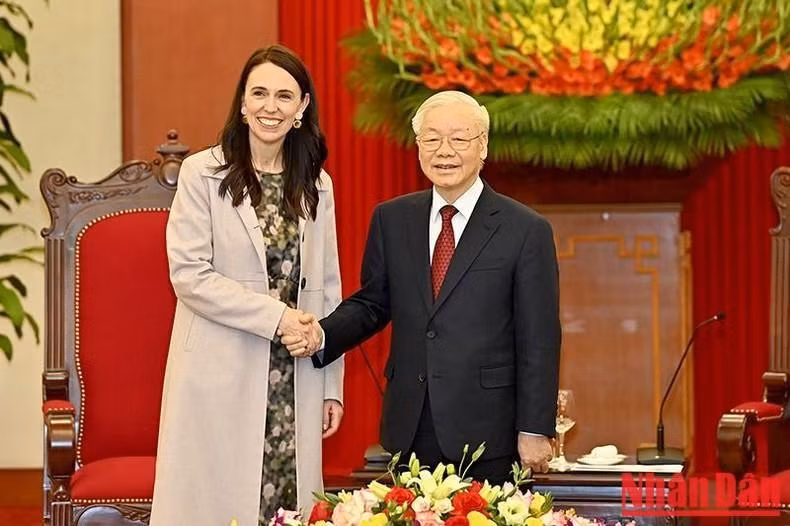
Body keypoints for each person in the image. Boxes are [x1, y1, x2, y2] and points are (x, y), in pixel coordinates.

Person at [284, 91, 561, 485]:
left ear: (482, 146)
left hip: (490, 431)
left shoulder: (525, 229)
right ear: (418, 148)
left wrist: (534, 427)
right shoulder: (393, 219)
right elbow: (372, 304)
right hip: (411, 425)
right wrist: (321, 333)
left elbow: (540, 338)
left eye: (459, 139)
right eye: (431, 139)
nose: (444, 151)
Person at [150, 45, 344, 526]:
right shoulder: (203, 172)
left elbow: (327, 287)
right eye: (258, 93)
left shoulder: (317, 184)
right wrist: (277, 317)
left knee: (286, 504)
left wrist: (330, 384)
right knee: (216, 505)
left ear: (302, 109)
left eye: (284, 96)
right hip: (219, 368)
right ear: (241, 102)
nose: (269, 107)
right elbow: (190, 276)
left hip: (295, 374)